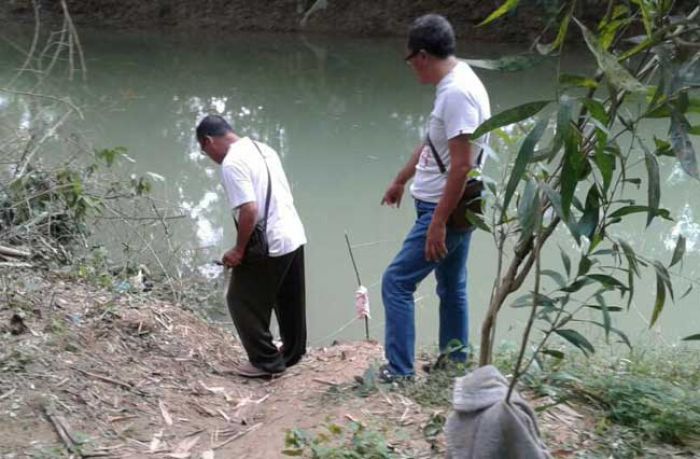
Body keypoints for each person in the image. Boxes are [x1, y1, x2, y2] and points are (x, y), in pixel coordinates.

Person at [380, 14, 491, 380]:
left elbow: (462, 166)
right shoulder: (455, 83)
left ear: (423, 56)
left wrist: (437, 223)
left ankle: (399, 373)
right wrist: (401, 179)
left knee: (396, 283)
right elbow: (434, 142)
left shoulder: (457, 93)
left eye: (411, 60)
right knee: (452, 286)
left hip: (446, 207)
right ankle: (454, 363)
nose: (412, 68)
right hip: (452, 204)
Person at [197, 114, 307, 378]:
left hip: (270, 240)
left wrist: (238, 250)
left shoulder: (232, 163)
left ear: (209, 141)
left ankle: (266, 362)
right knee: (288, 298)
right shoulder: (262, 148)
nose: (209, 156)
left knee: (239, 299)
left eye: (204, 150)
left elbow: (249, 209)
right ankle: (293, 353)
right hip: (293, 231)